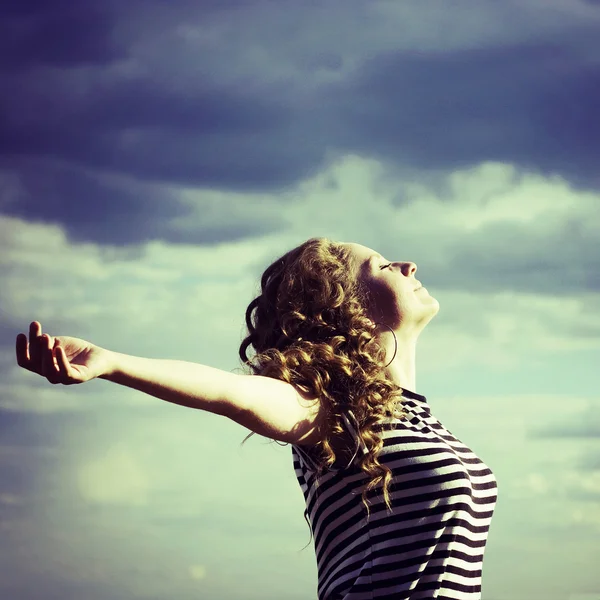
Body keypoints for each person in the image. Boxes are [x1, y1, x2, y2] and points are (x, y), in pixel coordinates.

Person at [15, 237, 498, 599]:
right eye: (385, 266)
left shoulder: (420, 423)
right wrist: (113, 362)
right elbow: (233, 394)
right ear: (345, 306)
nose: (409, 264)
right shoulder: (333, 416)